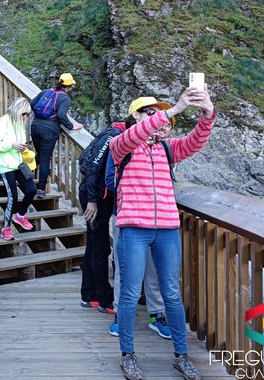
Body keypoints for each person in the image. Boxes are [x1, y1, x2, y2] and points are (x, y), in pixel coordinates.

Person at [110, 90, 215, 380]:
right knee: (130, 293)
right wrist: (173, 110)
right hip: (133, 229)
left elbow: (196, 141)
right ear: (135, 116)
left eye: (161, 114)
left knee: (171, 293)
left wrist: (207, 113)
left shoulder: (167, 148)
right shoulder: (122, 144)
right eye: (150, 112)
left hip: (167, 228)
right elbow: (135, 135)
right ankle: (128, 355)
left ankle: (182, 356)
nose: (159, 118)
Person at [105, 122, 172, 340]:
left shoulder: (163, 148)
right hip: (127, 217)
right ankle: (121, 316)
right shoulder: (122, 144)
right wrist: (138, 191)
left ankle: (156, 315)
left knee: (154, 270)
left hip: (158, 220)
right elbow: (110, 179)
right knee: (125, 271)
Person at [78, 123, 123, 315]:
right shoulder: (114, 136)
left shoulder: (114, 132)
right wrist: (92, 200)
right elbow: (93, 168)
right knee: (100, 247)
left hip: (99, 196)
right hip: (96, 198)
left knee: (94, 245)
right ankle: (105, 299)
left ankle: (89, 294)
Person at [0, 98, 37, 241]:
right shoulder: (4, 121)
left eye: (27, 115)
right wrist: (12, 145)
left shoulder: (21, 123)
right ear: (17, 110)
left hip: (19, 164)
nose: (25, 117)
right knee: (13, 197)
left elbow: (18, 143)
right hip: (5, 166)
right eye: (24, 114)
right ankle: (5, 228)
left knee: (32, 189)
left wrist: (23, 147)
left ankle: (20, 215)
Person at [30, 73, 84, 199]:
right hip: (49, 131)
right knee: (44, 159)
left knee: (40, 155)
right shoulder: (65, 98)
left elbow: (32, 104)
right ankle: (41, 189)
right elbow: (61, 115)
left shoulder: (46, 91)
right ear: (69, 86)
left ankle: (25, 174)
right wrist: (71, 126)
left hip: (35, 127)